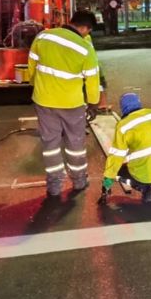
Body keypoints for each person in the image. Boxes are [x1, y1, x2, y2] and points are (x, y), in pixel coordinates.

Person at [28, 11, 101, 198]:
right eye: (88, 31)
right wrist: (93, 104)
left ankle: (54, 185)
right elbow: (92, 80)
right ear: (85, 28)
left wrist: (37, 86)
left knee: (50, 143)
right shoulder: (85, 48)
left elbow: (32, 68)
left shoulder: (43, 36)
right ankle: (78, 181)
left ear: (71, 22)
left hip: (44, 101)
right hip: (71, 104)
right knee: (75, 142)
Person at [99, 93, 151, 205]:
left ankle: (146, 188)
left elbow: (116, 156)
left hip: (146, 174)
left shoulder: (123, 126)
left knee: (118, 171)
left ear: (123, 108)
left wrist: (107, 182)